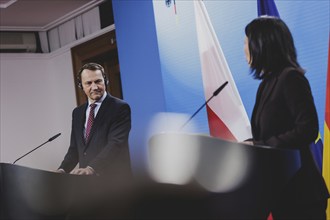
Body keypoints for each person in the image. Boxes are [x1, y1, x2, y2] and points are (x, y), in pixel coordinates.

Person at [243, 16, 329, 219]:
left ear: (262, 44)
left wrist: (260, 146)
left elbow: (307, 129)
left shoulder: (291, 78)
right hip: (281, 193)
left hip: (301, 195)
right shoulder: (267, 83)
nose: (244, 48)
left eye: (246, 42)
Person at [57, 62, 131, 178]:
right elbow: (74, 149)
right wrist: (62, 170)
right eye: (88, 83)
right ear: (81, 86)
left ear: (105, 81)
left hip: (115, 182)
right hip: (88, 185)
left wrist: (91, 168)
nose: (94, 87)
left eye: (98, 81)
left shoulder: (119, 107)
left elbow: (116, 143)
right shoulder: (77, 113)